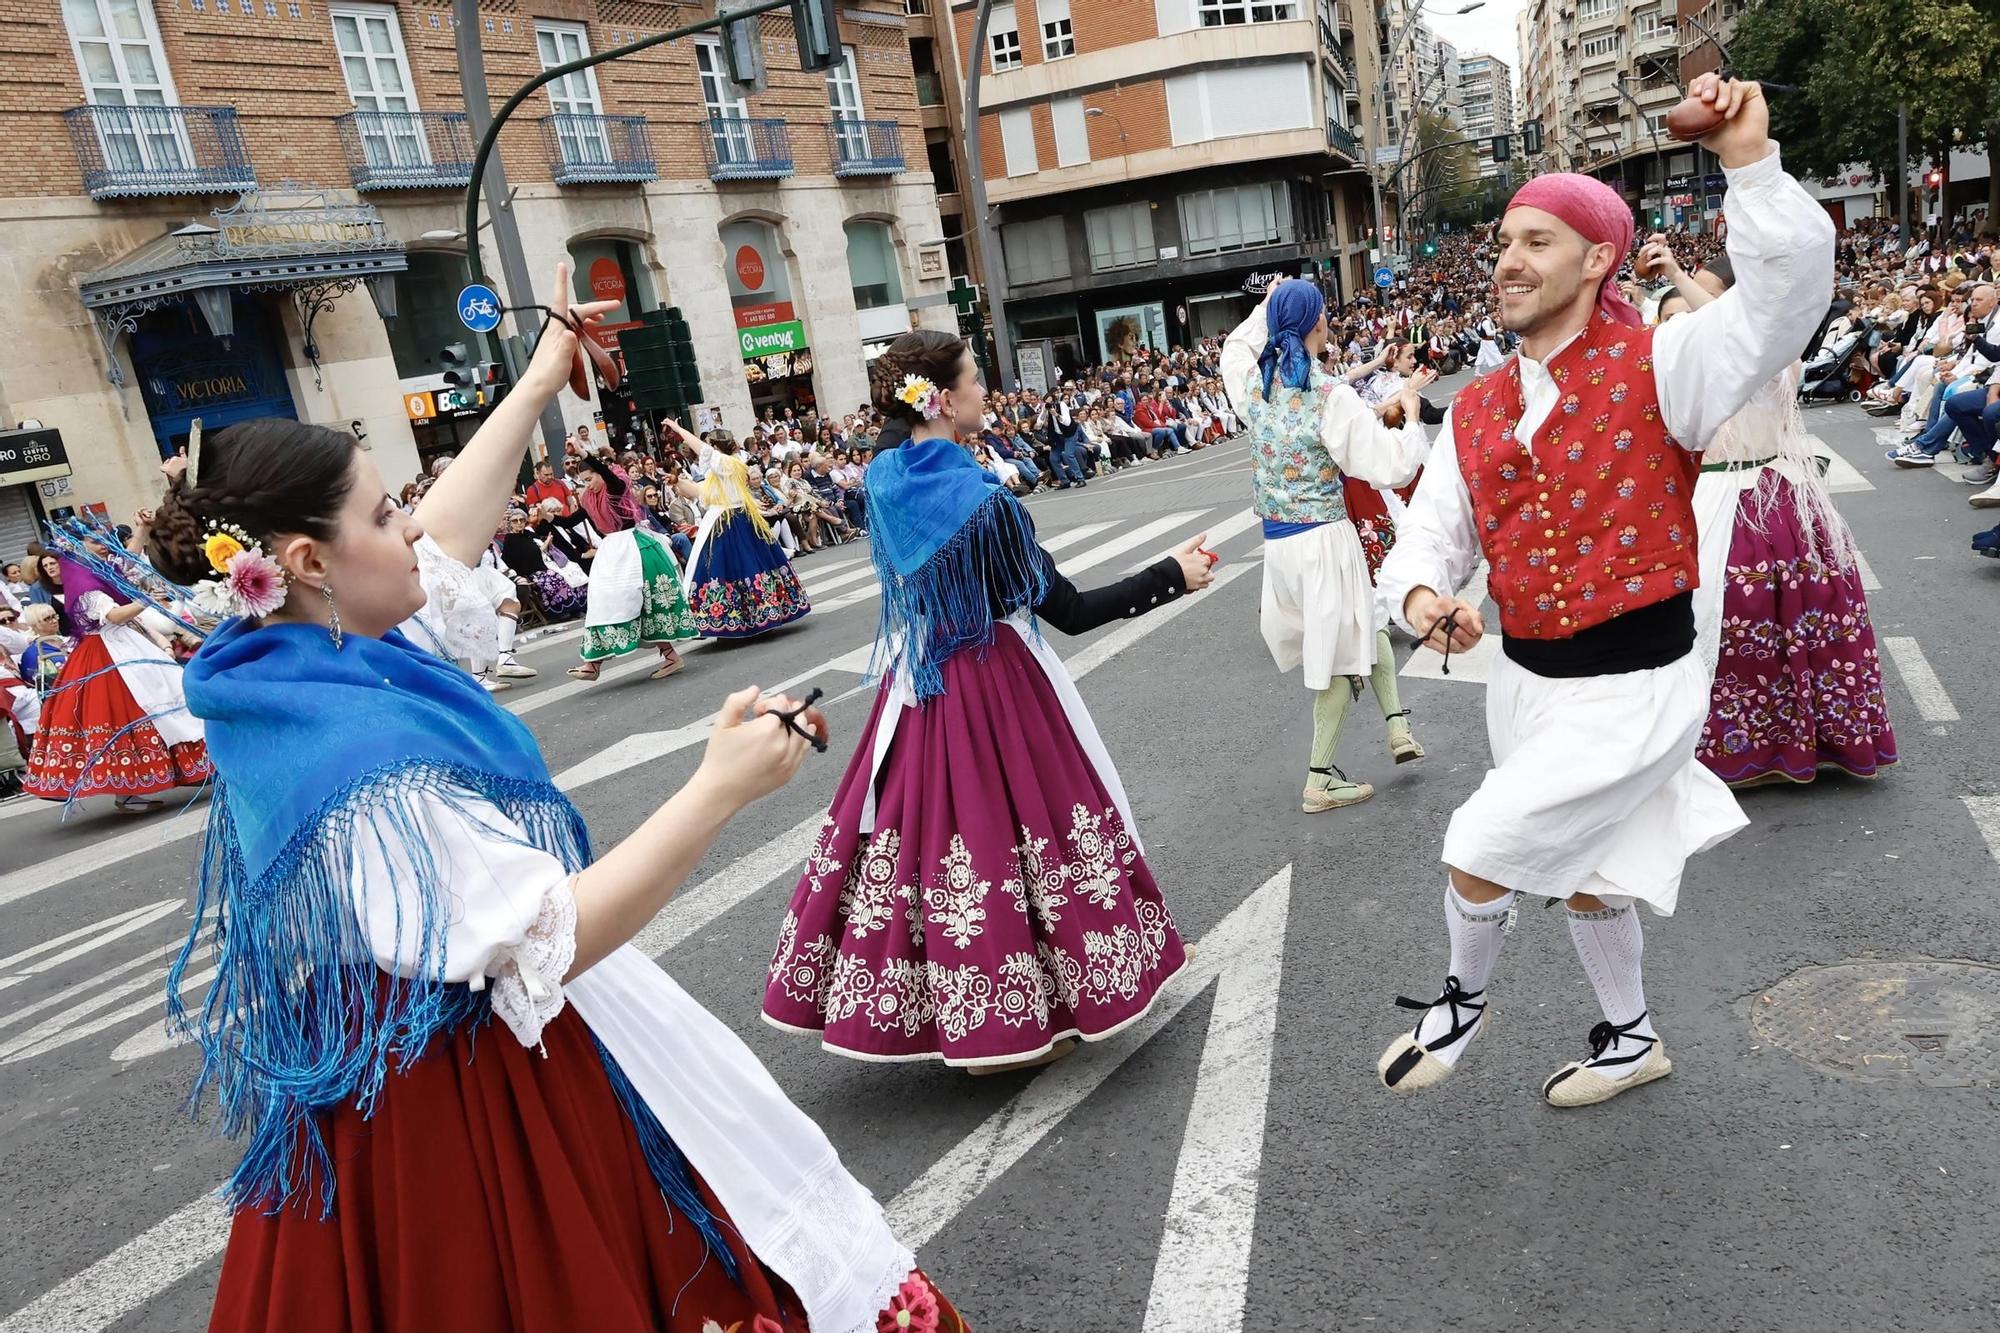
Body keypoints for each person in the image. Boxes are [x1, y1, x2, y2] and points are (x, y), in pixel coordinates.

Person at [142, 288, 959, 1333]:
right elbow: (542, 938)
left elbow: (441, 546)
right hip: (473, 1093)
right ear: (304, 563)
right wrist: (719, 785)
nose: (411, 526)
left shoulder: (286, 665)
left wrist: (538, 377)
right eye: (385, 510)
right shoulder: (365, 763)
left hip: (394, 1081)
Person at [1372, 75, 1834, 1107]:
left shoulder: (1662, 362)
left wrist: (1747, 163)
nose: (1506, 259)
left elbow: (1784, 303)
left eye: (1536, 241)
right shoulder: (1479, 408)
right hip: (1524, 685)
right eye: (1502, 240)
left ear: (1595, 259)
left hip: (1636, 684)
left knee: (1478, 844)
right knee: (1593, 866)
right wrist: (1419, 602)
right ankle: (1630, 1040)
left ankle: (1459, 1003)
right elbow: (1424, 542)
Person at [762, 327, 1214, 1071]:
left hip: (918, 685)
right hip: (998, 683)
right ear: (941, 399)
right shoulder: (986, 506)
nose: (986, 390)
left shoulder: (883, 479)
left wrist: (908, 392)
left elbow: (890, 434)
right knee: (1036, 835)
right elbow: (1066, 609)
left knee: (930, 846)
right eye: (973, 378)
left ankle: (963, 1022)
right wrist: (1173, 572)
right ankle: (1047, 1008)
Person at [1643, 242, 1898, 787]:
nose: (1692, 317)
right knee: (1723, 619)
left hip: (1763, 496)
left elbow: (1734, 332)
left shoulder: (1762, 347)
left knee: (1762, 613)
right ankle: (1741, 744)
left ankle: (1785, 744)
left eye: (1709, 303)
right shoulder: (1687, 353)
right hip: (1718, 496)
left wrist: (1674, 276)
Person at [1223, 279, 1434, 812]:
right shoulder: (1328, 395)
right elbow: (1390, 466)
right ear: (1320, 323)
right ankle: (1319, 779)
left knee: (1365, 627)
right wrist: (1410, 415)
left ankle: (1395, 727)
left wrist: (1267, 304)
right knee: (1343, 654)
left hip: (1279, 543)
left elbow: (1235, 348)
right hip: (1324, 539)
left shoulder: (1256, 387)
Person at [21, 529, 209, 812]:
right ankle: (128, 789)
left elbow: (126, 558)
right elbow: (114, 615)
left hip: (125, 644)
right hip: (108, 651)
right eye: (95, 541)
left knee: (168, 696)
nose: (104, 546)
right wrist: (148, 600)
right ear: (79, 547)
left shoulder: (94, 571)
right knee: (126, 713)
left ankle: (196, 766)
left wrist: (142, 528)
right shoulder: (84, 584)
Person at [567, 448, 699, 682]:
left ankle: (670, 656)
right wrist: (549, 521)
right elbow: (571, 520)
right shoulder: (591, 499)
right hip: (612, 552)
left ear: (599, 473)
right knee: (602, 603)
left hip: (634, 550)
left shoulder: (615, 488)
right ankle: (593, 663)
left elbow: (608, 475)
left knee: (644, 605)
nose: (587, 485)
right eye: (583, 481)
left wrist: (584, 454)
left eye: (590, 479)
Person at [672, 422, 812, 639]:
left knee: (737, 567)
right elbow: (701, 492)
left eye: (710, 445)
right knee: (725, 568)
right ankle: (729, 621)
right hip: (721, 519)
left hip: (732, 520)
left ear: (717, 447)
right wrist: (678, 483)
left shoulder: (729, 463)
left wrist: (678, 429)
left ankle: (753, 617)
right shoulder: (717, 471)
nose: (706, 450)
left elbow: (702, 449)